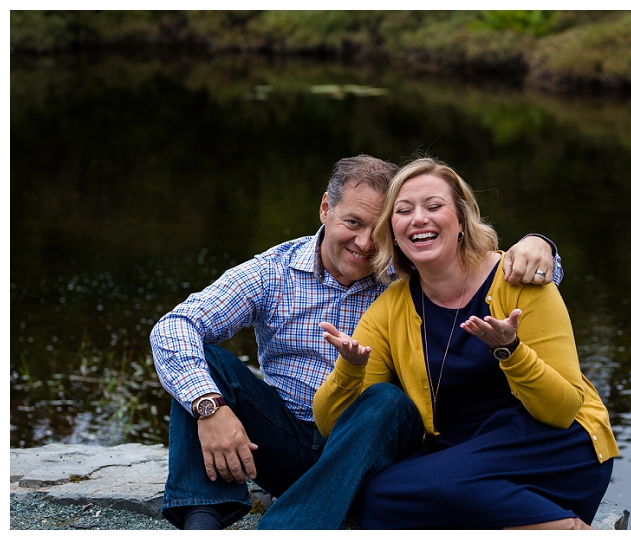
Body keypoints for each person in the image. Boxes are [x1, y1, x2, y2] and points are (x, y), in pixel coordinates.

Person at [150, 154, 564, 530]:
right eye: (352, 223)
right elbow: (173, 327)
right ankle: (201, 524)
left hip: (375, 443)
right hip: (286, 438)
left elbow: (479, 265)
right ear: (326, 209)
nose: (366, 244)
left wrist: (540, 246)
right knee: (200, 364)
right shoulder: (273, 272)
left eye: (377, 228)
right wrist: (211, 408)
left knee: (387, 400)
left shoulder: (406, 273)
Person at [306, 156, 618, 529]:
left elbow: (563, 409)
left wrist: (511, 352)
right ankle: (542, 524)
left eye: (434, 206)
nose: (419, 218)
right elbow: (330, 424)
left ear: (461, 220)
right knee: (378, 497)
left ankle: (563, 529)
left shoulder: (518, 281)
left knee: (430, 491)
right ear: (393, 230)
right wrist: (349, 370)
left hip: (552, 444)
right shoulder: (391, 306)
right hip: (463, 453)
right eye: (404, 211)